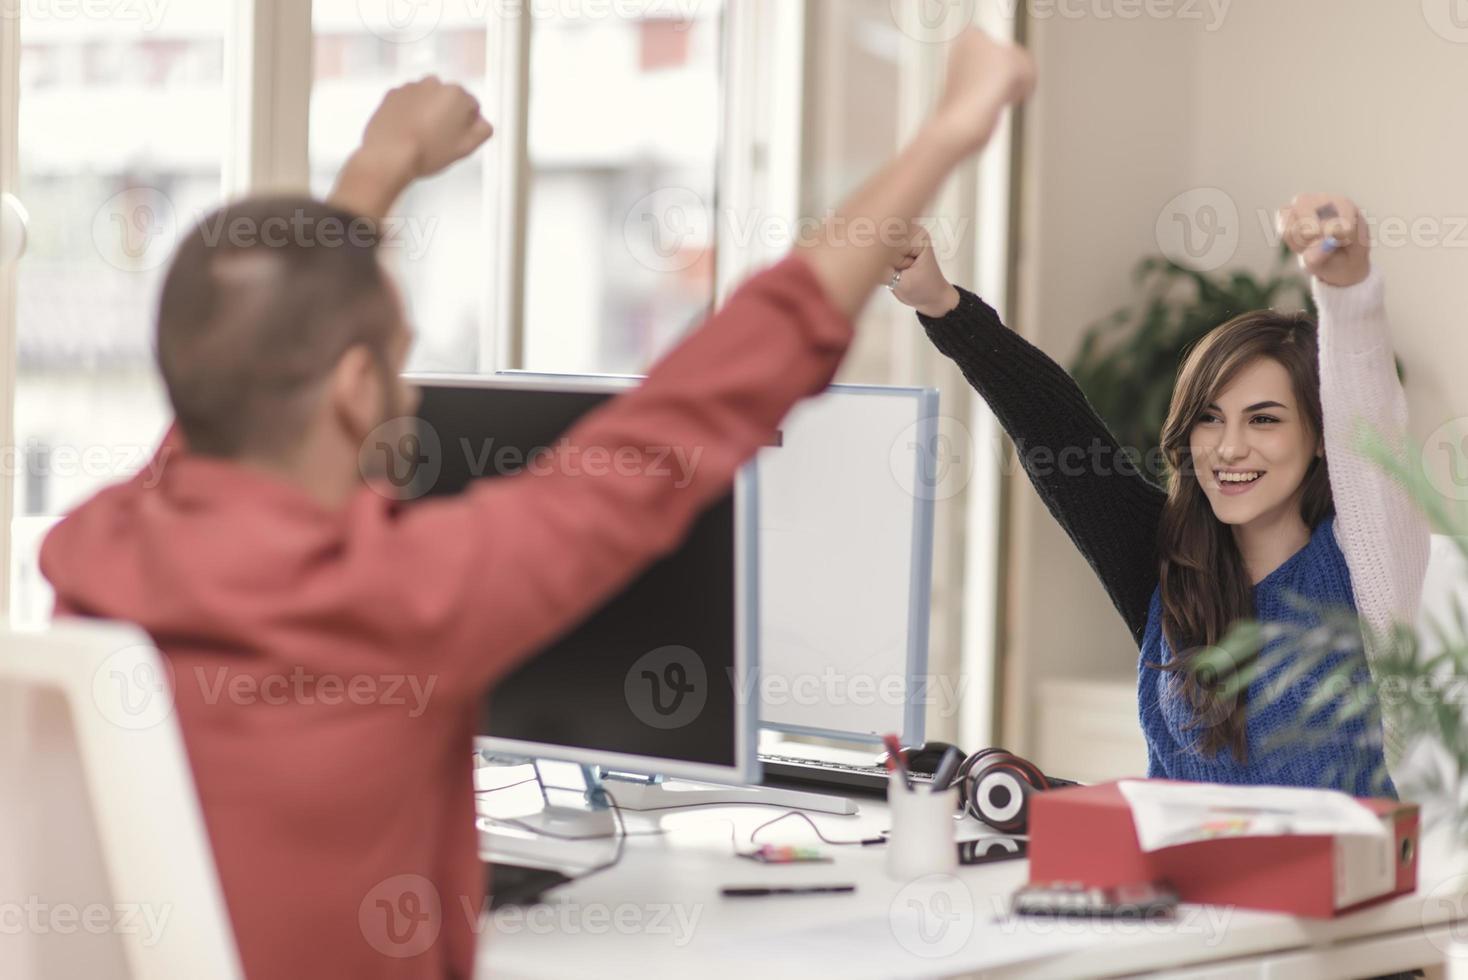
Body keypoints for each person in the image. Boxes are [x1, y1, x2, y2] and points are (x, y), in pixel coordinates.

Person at [40, 34, 1036, 980]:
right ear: (351, 388)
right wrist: (948, 128)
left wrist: (379, 169)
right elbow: (686, 415)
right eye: (394, 358)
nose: (407, 391)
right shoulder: (399, 597)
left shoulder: (98, 552)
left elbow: (243, 386)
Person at [888, 196, 1429, 796]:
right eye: (1209, 418)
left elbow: (1371, 420)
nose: (1228, 448)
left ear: (1321, 438)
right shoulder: (1170, 562)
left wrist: (1347, 291)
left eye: (1265, 420)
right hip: (1180, 881)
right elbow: (1056, 428)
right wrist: (943, 306)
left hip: (1342, 886)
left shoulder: (1366, 563)